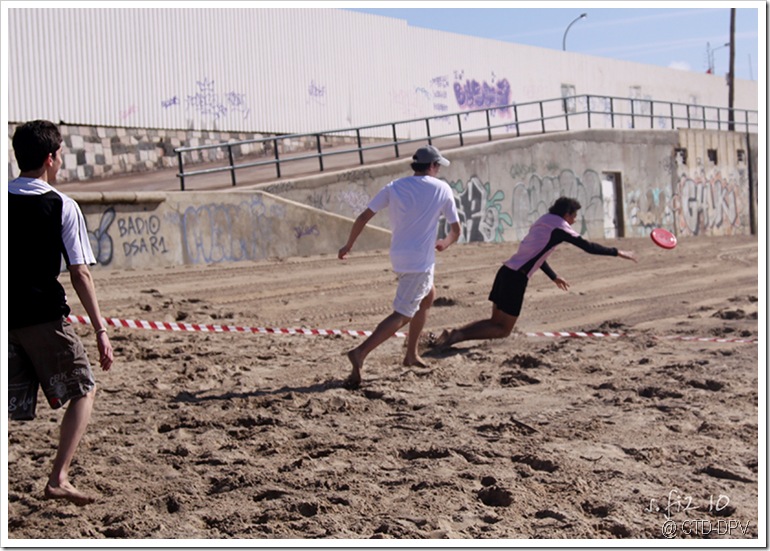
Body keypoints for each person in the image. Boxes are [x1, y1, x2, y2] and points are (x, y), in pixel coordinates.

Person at [8, 120, 114, 506]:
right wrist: (101, 328)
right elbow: (80, 272)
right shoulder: (60, 205)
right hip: (42, 317)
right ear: (51, 158)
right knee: (84, 389)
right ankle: (58, 478)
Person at [433, 196, 637, 350]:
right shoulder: (561, 227)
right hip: (516, 278)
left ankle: (454, 334)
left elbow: (538, 254)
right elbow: (589, 247)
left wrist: (553, 276)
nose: (574, 220)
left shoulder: (543, 221)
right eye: (574, 216)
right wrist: (618, 252)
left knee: (494, 321)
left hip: (505, 272)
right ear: (567, 214)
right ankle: (458, 337)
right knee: (503, 330)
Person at [338, 145, 462, 389]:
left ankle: (411, 354)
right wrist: (445, 244)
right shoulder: (442, 188)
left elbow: (363, 216)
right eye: (438, 166)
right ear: (433, 166)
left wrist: (348, 244)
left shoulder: (394, 186)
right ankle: (360, 352)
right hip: (419, 261)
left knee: (428, 296)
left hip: (399, 255)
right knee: (404, 313)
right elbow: (456, 230)